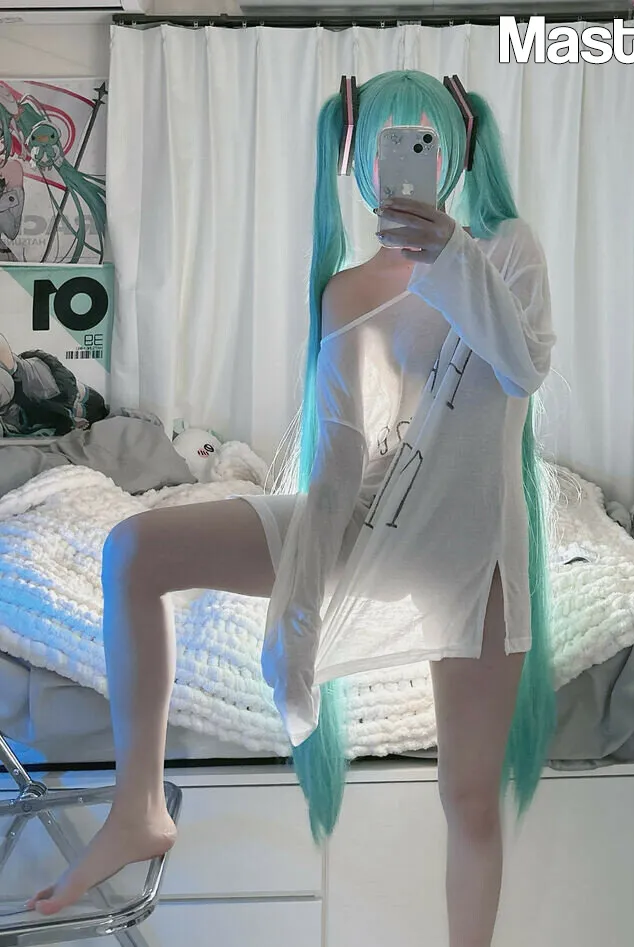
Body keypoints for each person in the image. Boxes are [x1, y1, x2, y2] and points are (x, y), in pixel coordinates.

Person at [27, 70, 557, 947]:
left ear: (458, 151)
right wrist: (299, 612)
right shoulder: (345, 289)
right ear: (356, 160)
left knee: (468, 796)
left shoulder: (504, 250)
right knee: (133, 550)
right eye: (388, 147)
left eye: (425, 144)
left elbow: (523, 365)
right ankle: (138, 806)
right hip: (372, 527)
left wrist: (452, 254)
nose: (405, 165)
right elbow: (340, 467)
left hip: (472, 549)